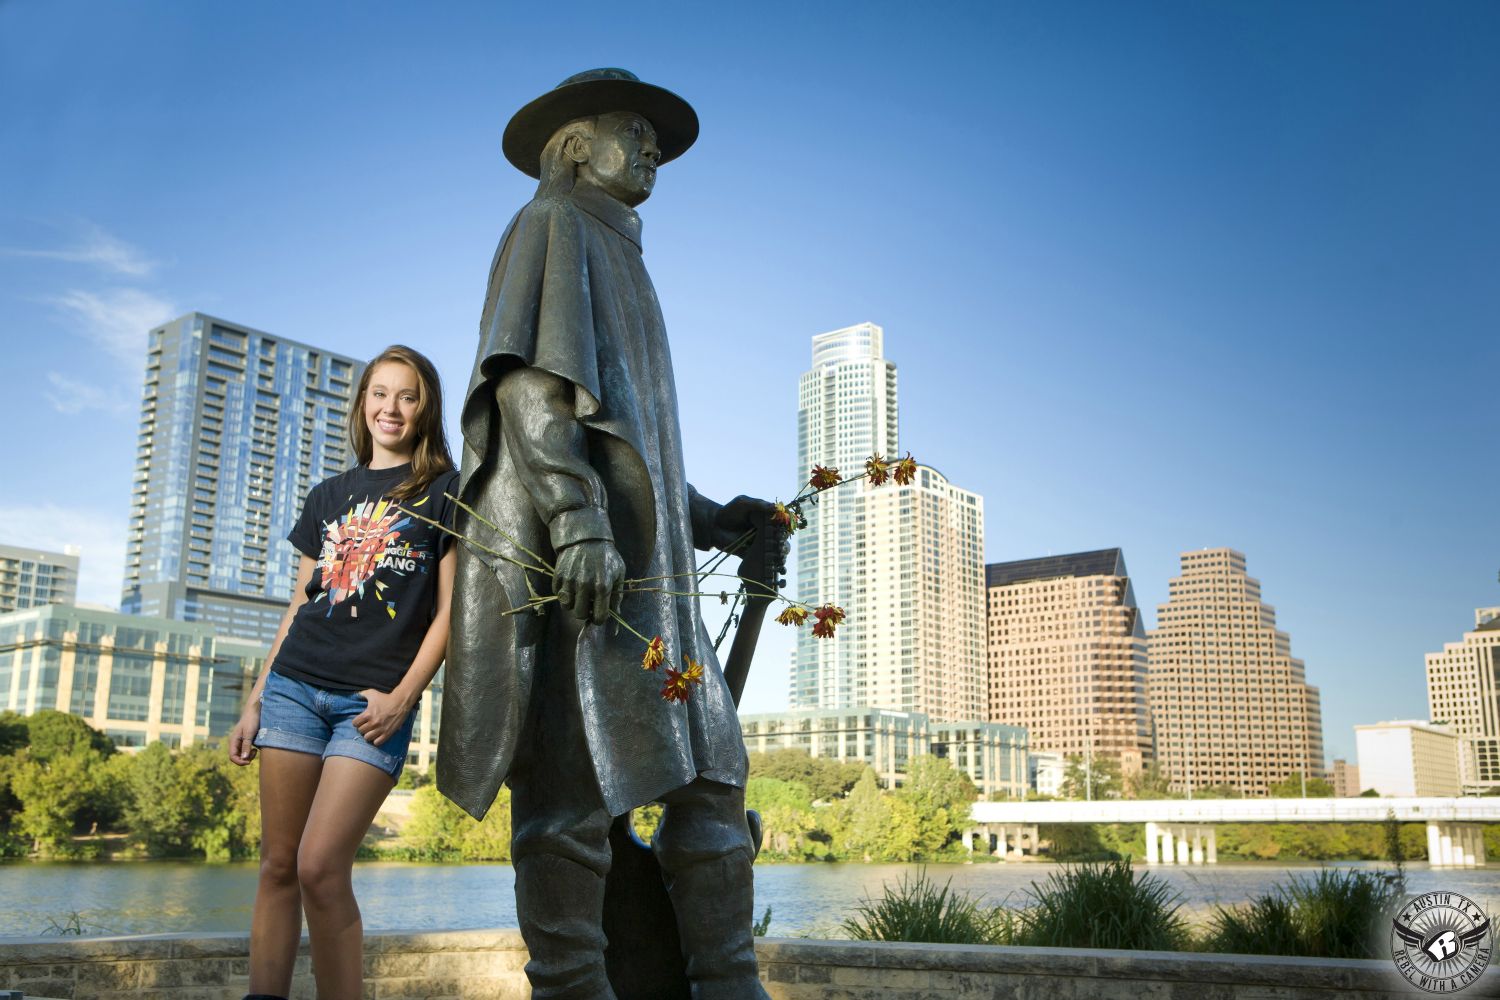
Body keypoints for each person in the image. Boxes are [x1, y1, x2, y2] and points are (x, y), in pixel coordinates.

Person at [438, 68, 772, 1000]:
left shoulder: (624, 253)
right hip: (578, 579)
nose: (653, 147)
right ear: (579, 144)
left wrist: (710, 518)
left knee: (713, 788)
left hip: (646, 579)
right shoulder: (552, 225)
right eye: (635, 130)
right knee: (568, 809)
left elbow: (626, 434)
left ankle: (728, 987)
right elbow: (530, 387)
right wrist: (578, 518)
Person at [228, 344, 459, 1000]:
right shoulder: (329, 495)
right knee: (277, 866)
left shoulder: (444, 491)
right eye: (380, 393)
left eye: (407, 395)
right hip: (294, 688)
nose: (392, 407)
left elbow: (450, 614)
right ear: (364, 404)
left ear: (423, 409)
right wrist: (255, 702)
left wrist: (403, 698)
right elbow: (297, 607)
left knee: (321, 868)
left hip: (372, 703)